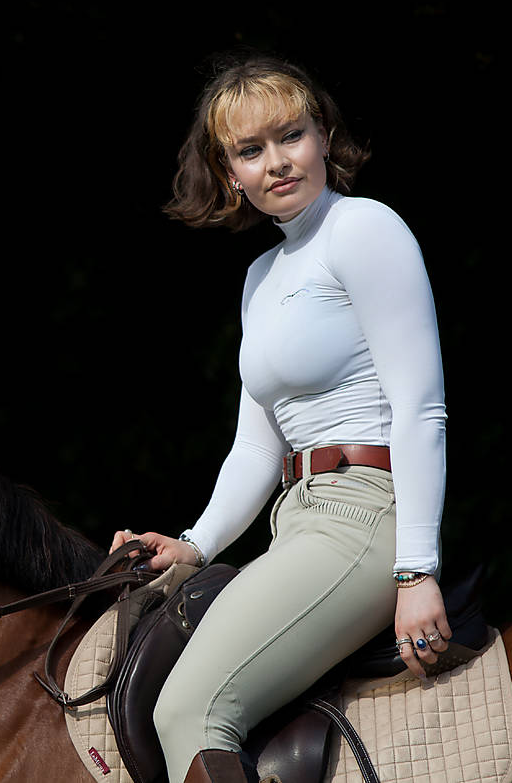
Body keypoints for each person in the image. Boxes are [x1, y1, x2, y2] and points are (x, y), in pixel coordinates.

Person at [111, 53, 450, 783]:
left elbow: (421, 407)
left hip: (366, 515)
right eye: (250, 150)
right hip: (297, 522)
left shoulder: (363, 228)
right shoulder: (259, 279)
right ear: (229, 172)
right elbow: (257, 448)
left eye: (290, 136)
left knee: (188, 711)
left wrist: (417, 569)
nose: (276, 162)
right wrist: (195, 544)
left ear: (323, 135)